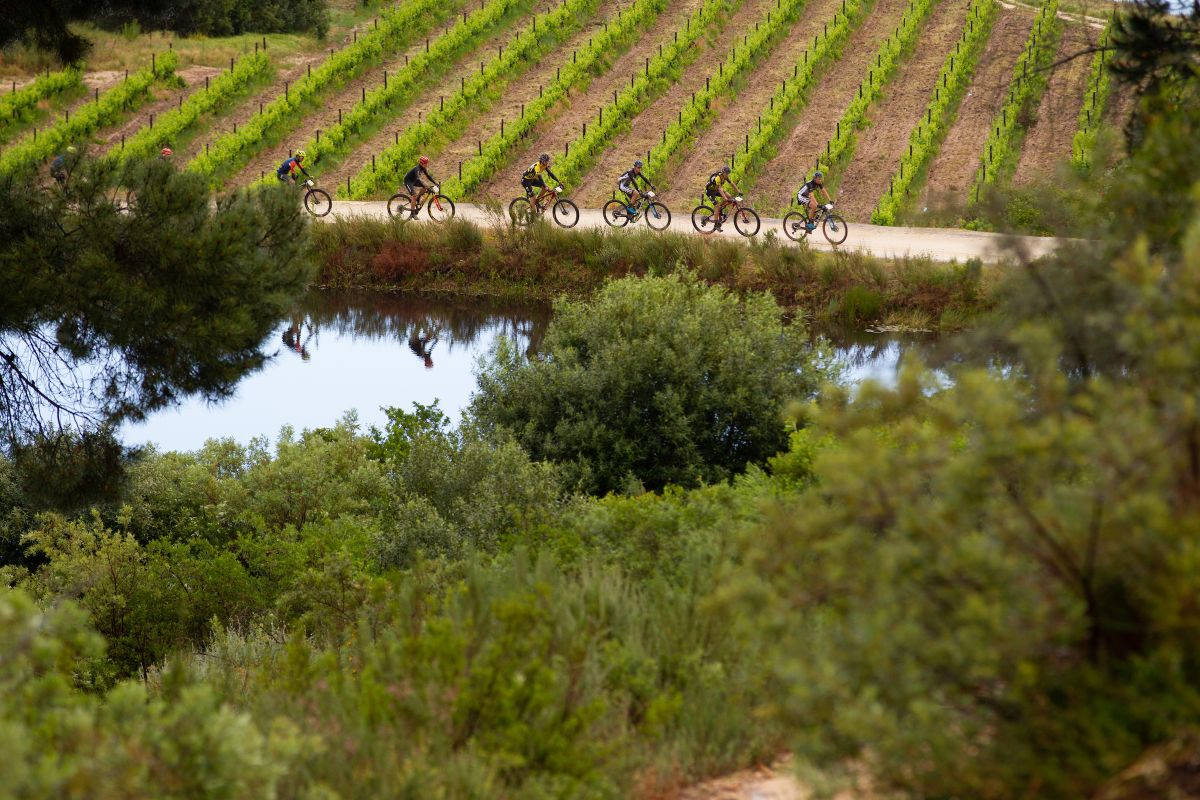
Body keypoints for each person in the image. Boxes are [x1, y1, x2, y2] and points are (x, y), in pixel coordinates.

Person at [704, 165, 739, 231]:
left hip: (716, 190)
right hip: (710, 191)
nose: (727, 175)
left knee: (729, 197)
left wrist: (739, 191)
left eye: (728, 173)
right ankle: (716, 225)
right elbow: (720, 189)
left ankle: (720, 209)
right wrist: (725, 198)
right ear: (723, 172)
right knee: (717, 205)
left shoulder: (726, 177)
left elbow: (732, 184)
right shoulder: (718, 178)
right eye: (726, 173)